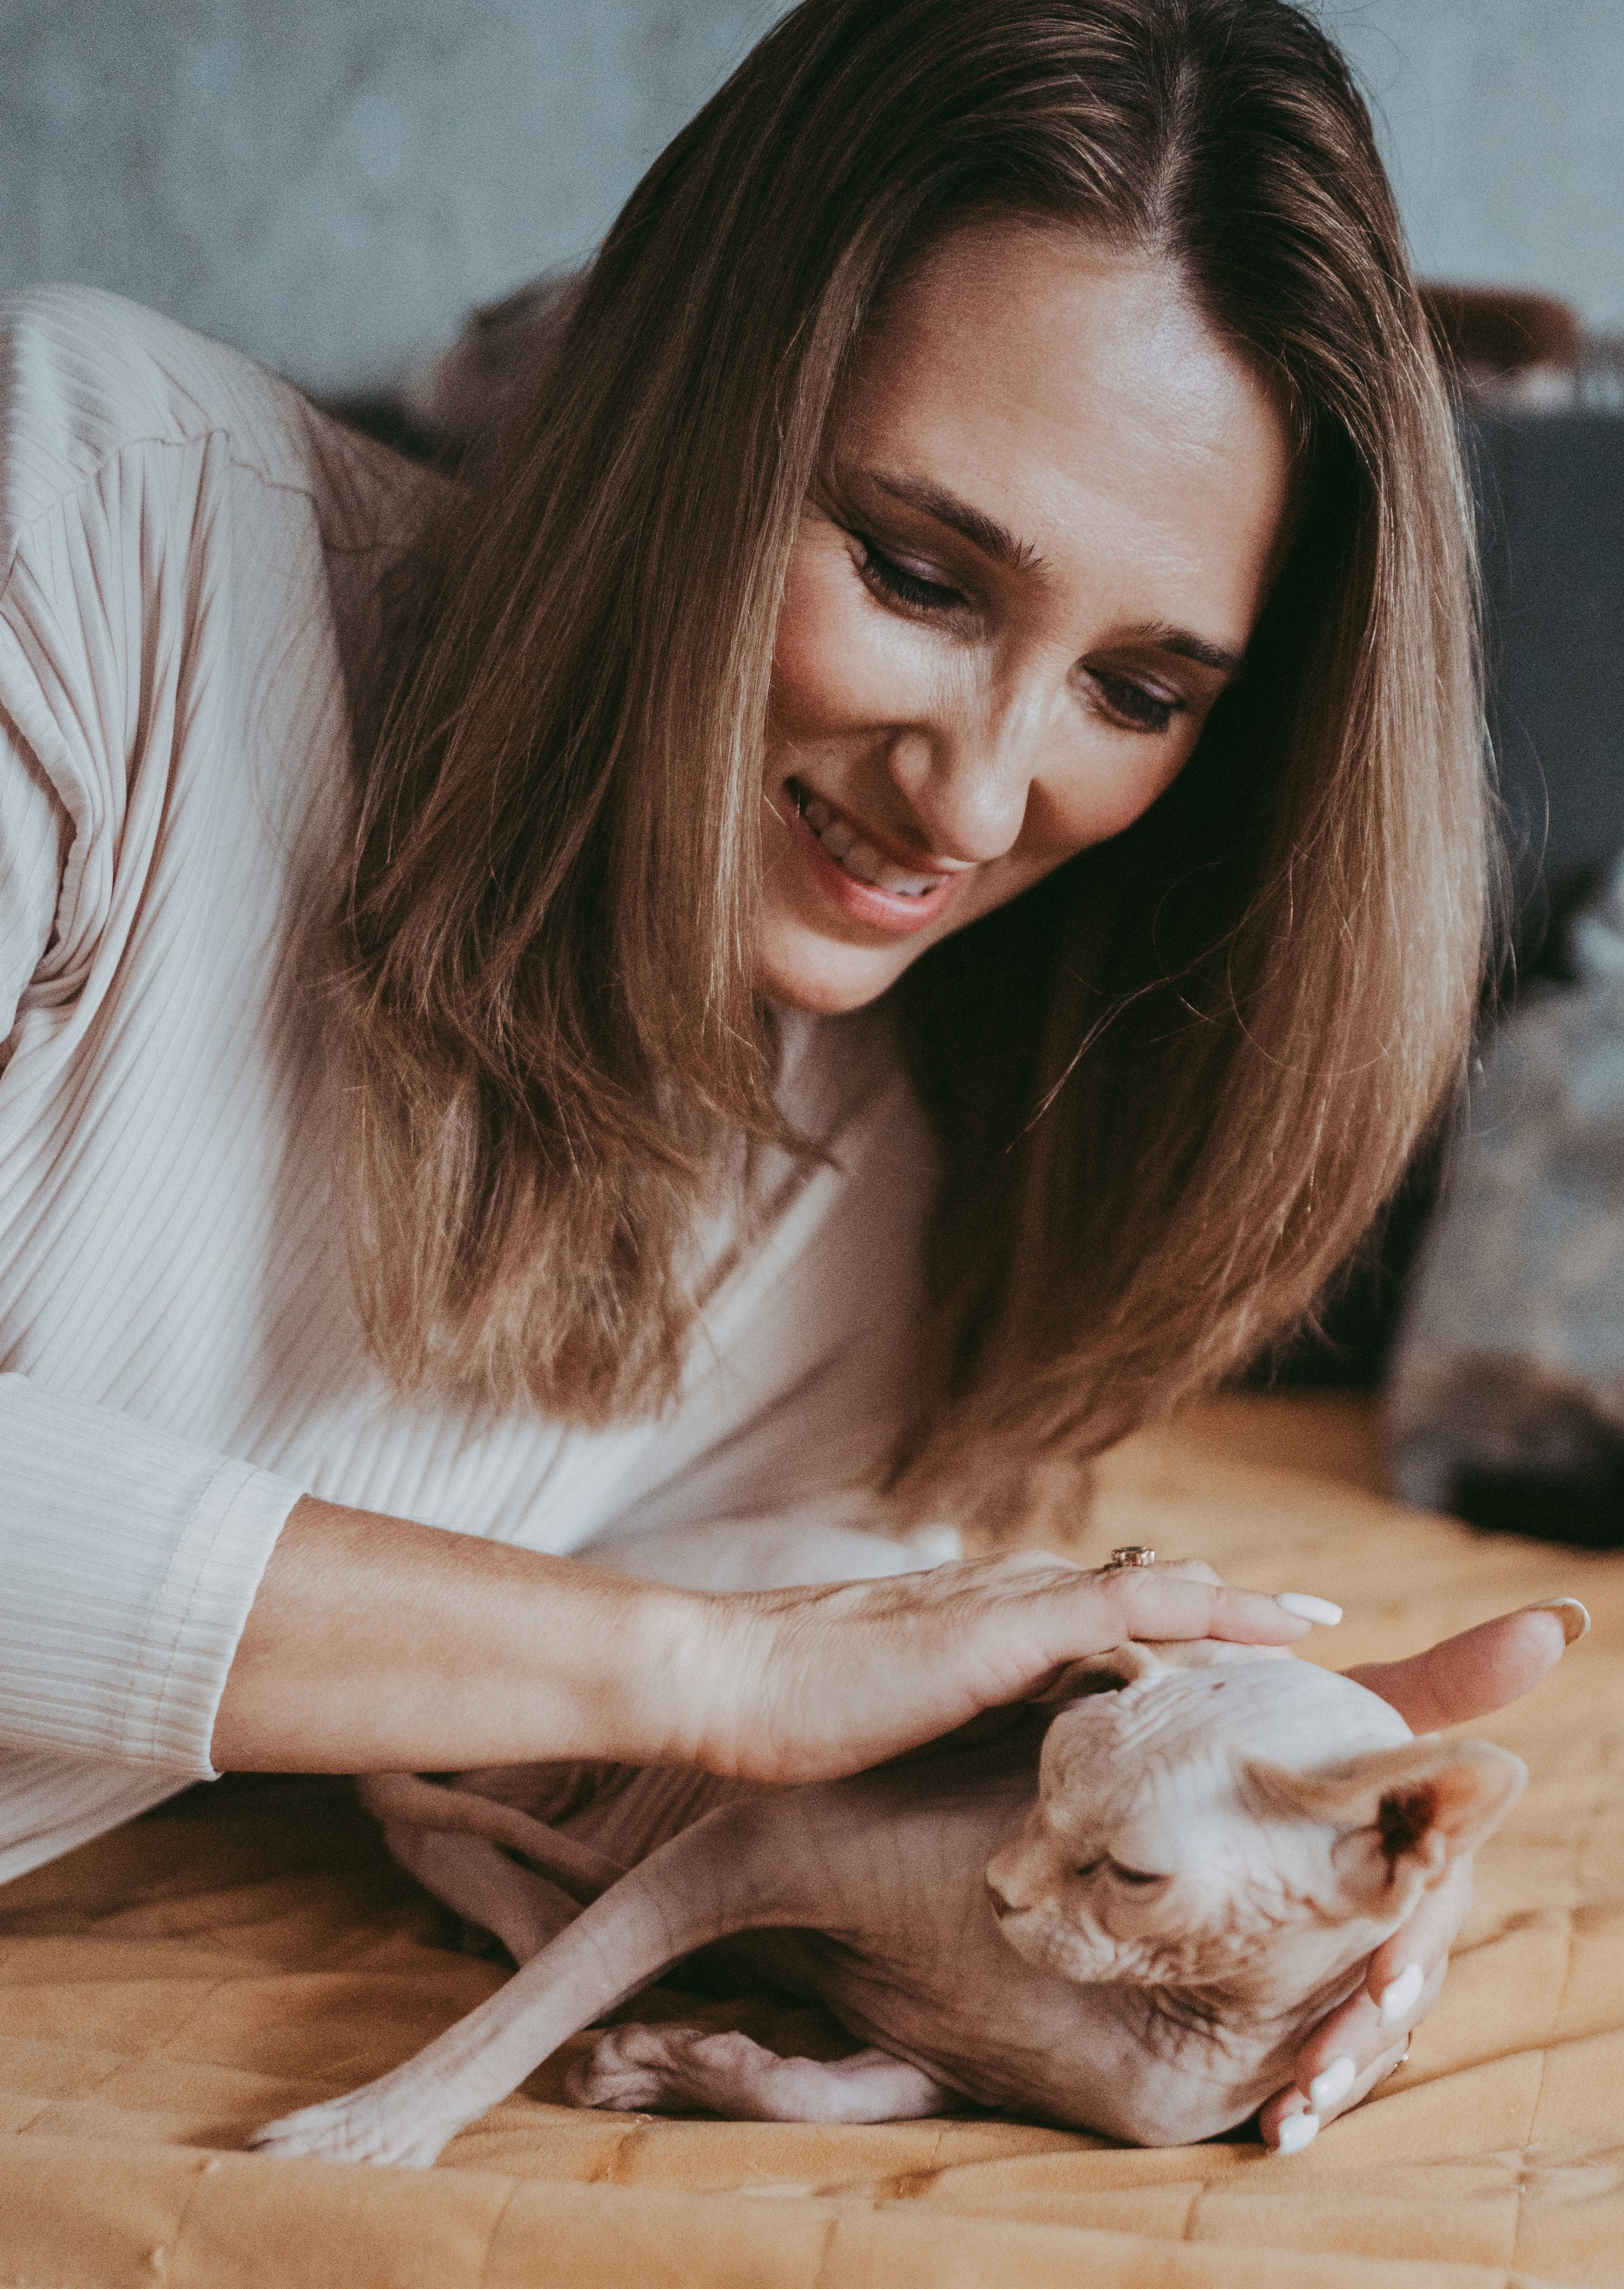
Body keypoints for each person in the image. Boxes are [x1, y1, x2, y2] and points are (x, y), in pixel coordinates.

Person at [0, 0, 1577, 2156]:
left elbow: (669, 1753)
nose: (980, 798)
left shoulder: (886, 1180)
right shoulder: (89, 529)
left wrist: (1301, 1833)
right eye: (918, 575)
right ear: (687, 401)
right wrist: (691, 1668)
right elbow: (673, 1669)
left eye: (1138, 690)